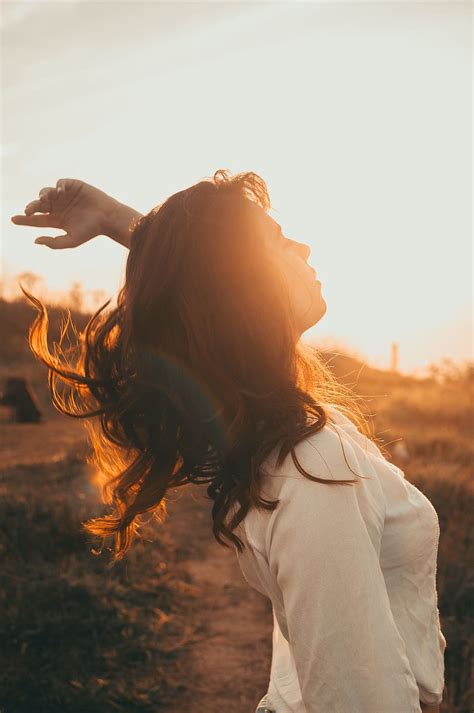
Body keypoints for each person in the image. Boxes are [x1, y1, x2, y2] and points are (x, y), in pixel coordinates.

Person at [11, 172, 446, 712]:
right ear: (244, 291)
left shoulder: (281, 426)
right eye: (279, 241)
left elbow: (198, 272)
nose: (305, 246)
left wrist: (119, 219)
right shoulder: (313, 468)